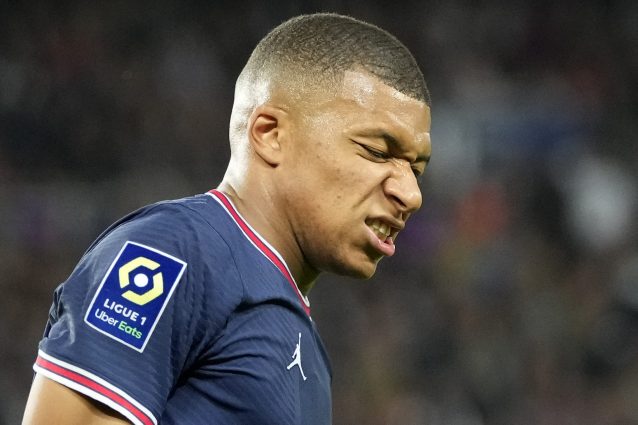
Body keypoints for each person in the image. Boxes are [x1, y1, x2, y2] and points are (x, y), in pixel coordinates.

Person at [22, 12, 431, 425]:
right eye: (377, 152)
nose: (410, 194)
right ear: (270, 134)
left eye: (416, 170)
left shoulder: (311, 354)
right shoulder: (171, 254)